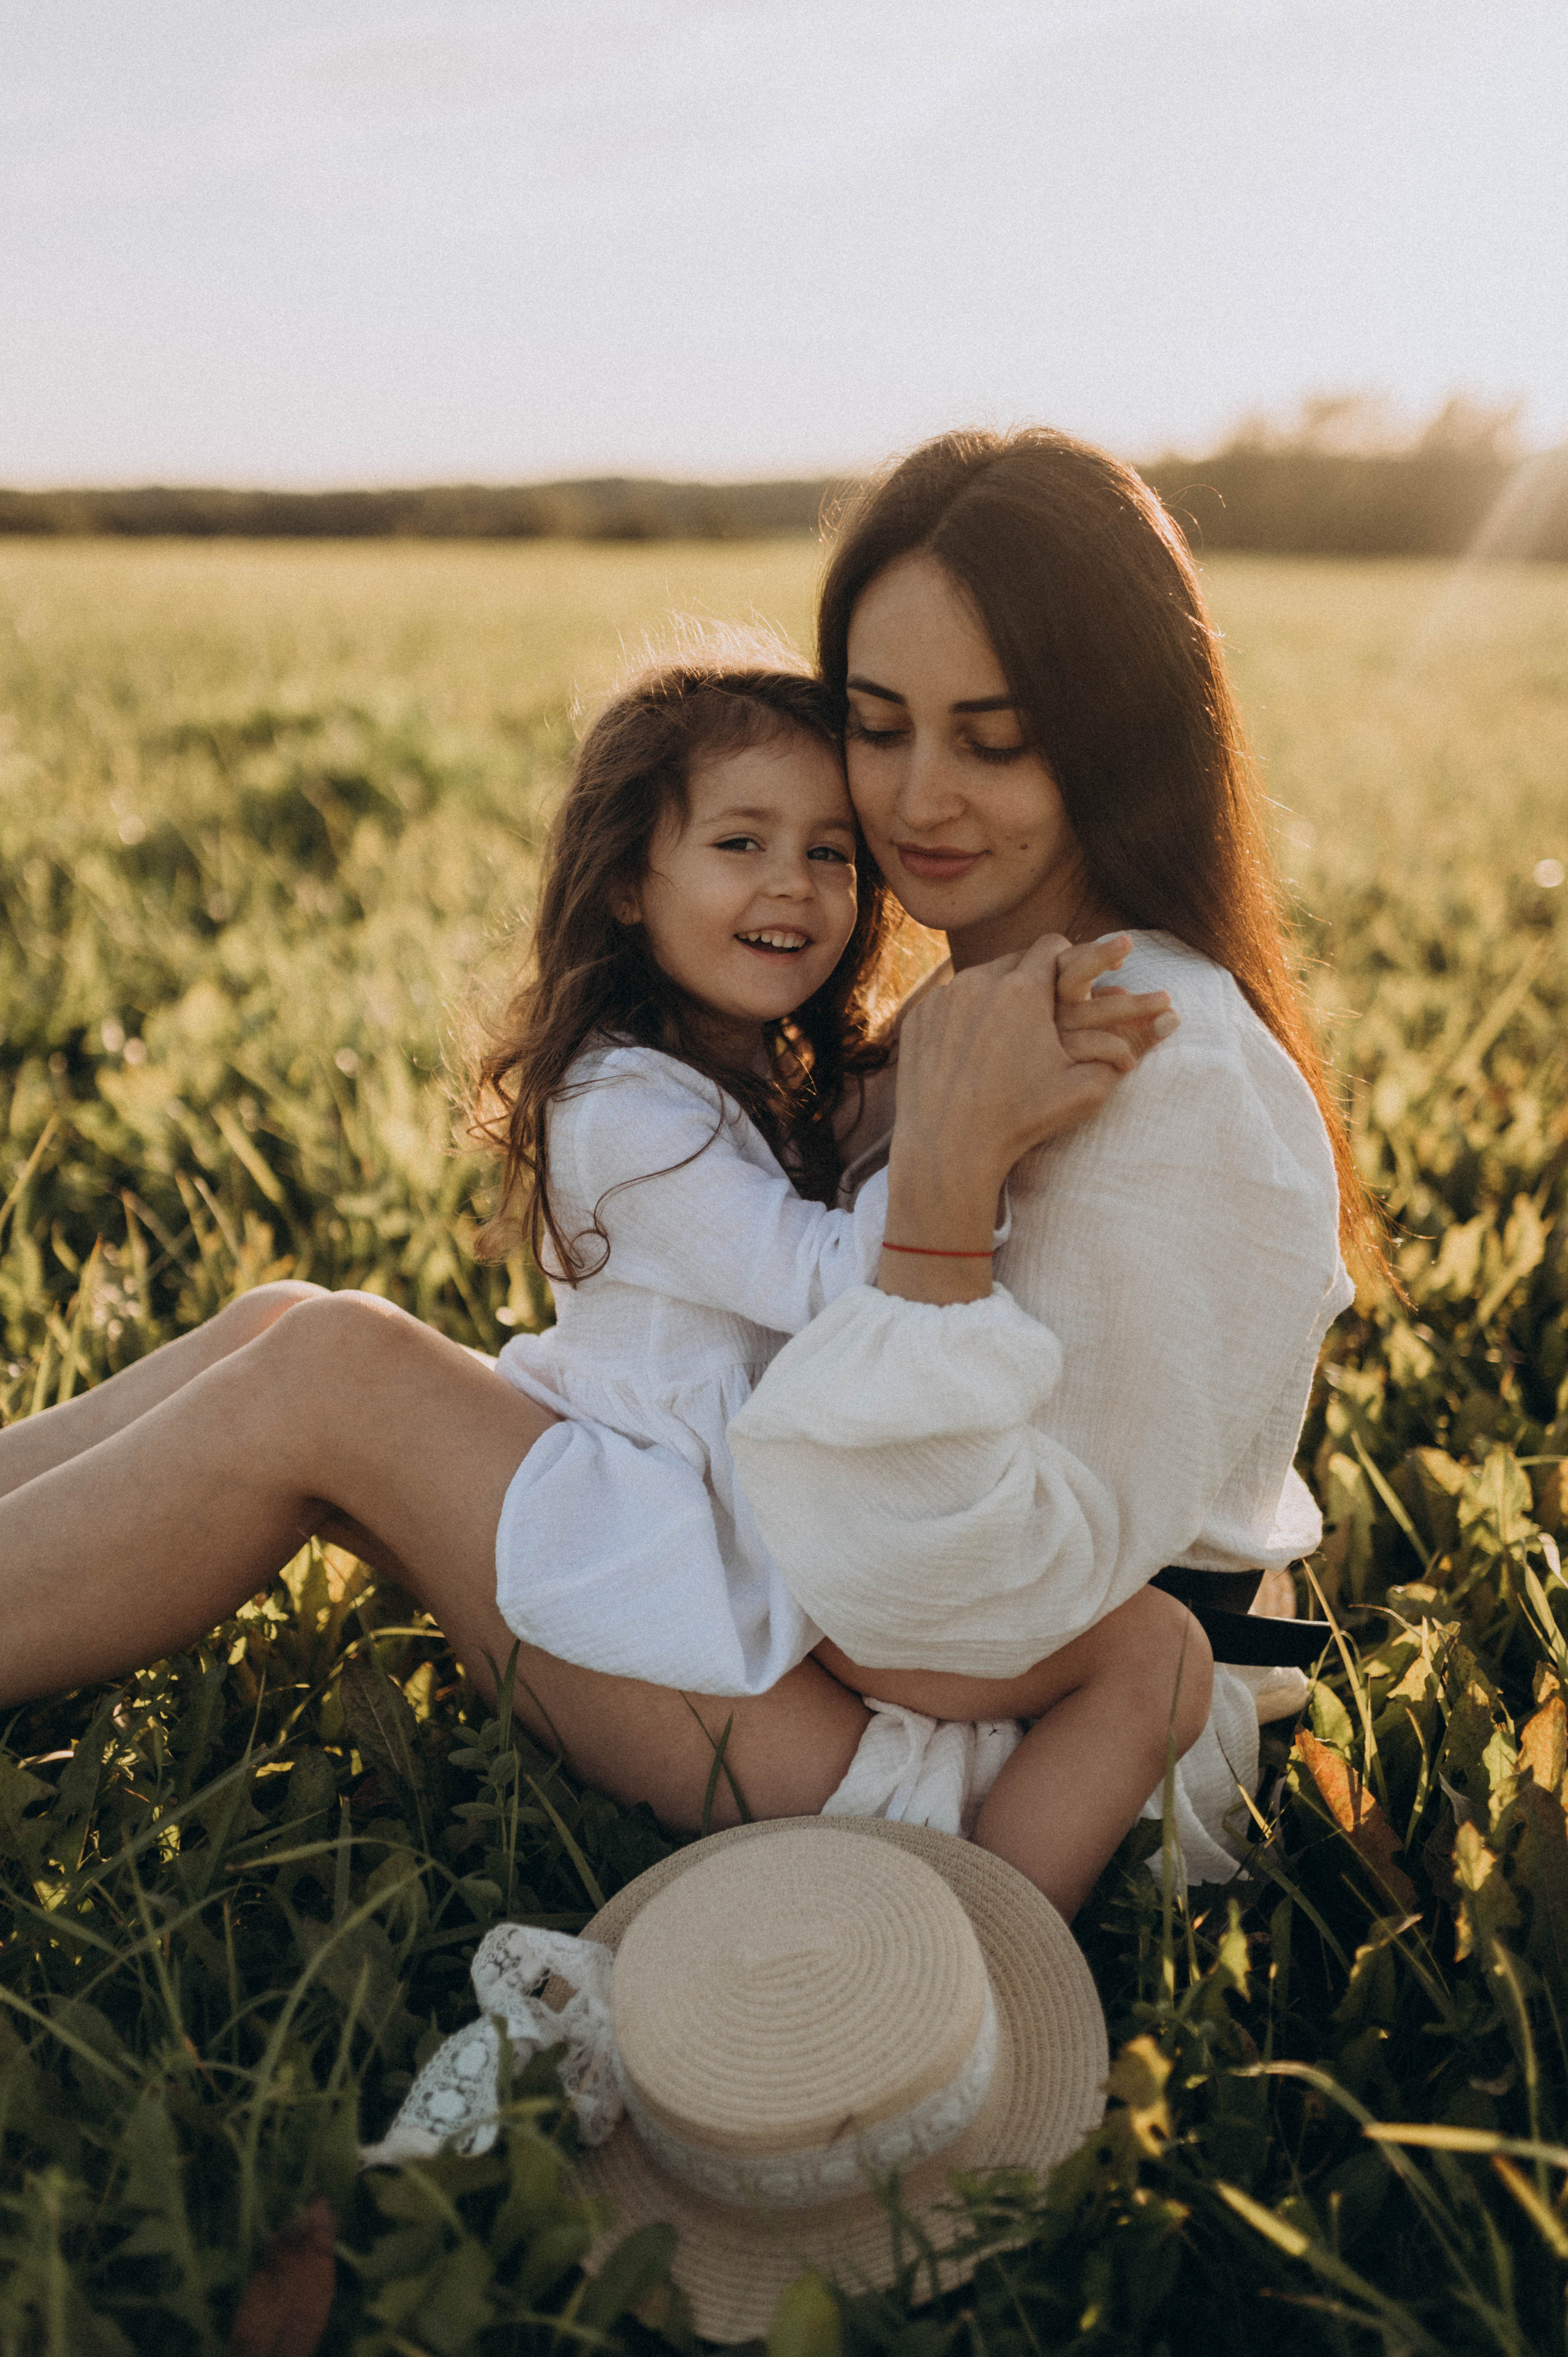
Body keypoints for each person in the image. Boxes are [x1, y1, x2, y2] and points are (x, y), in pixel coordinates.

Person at [0, 424, 1362, 1921]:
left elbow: (949, 1615)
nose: (917, 800)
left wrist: (937, 1196)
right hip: (835, 1644)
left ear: (1119, 736)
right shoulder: (992, 1005)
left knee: (332, 1373)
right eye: (877, 724)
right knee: (286, 1323)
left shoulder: (1152, 1056)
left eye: (992, 739)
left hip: (980, 1763)